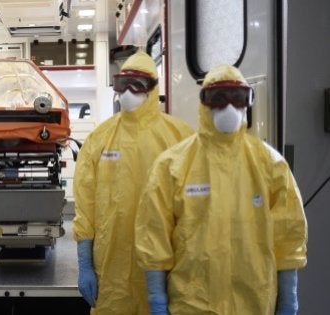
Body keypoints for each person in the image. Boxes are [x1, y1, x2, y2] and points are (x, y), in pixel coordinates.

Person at [135, 64, 308, 314]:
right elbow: (154, 234)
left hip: (254, 302)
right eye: (217, 98)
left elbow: (288, 235)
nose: (228, 107)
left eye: (238, 98)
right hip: (192, 303)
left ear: (248, 103)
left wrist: (288, 297)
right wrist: (156, 296)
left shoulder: (271, 165)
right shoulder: (172, 165)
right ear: (203, 103)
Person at [72, 51, 193, 314]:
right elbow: (85, 202)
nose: (127, 92)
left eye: (136, 85)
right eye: (121, 84)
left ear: (152, 88)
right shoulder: (99, 139)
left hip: (166, 265)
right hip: (111, 267)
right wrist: (84, 263)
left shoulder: (180, 136)